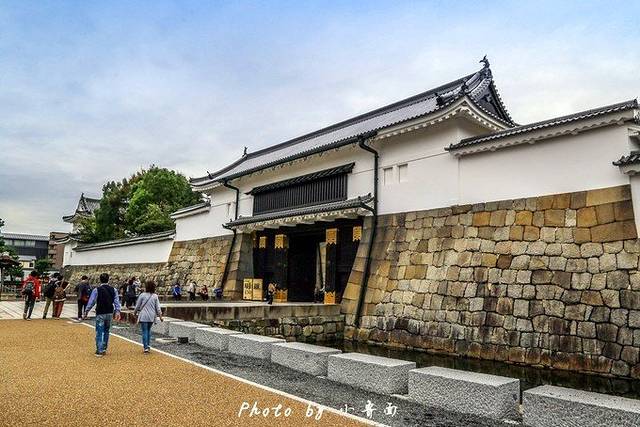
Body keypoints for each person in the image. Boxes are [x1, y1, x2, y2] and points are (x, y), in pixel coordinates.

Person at [83, 273, 121, 357]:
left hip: (100, 312)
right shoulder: (113, 290)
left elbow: (92, 301)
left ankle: (99, 350)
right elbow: (116, 301)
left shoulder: (96, 290)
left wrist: (86, 311)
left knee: (99, 331)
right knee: (107, 330)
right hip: (109, 312)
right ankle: (104, 348)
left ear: (100, 280)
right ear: (108, 279)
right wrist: (118, 311)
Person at [133, 280, 163, 353]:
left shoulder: (142, 295)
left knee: (144, 331)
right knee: (149, 331)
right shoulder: (155, 296)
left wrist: (135, 312)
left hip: (144, 315)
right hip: (151, 316)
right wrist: (160, 316)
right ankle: (148, 345)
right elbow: (158, 308)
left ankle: (145, 347)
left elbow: (137, 306)